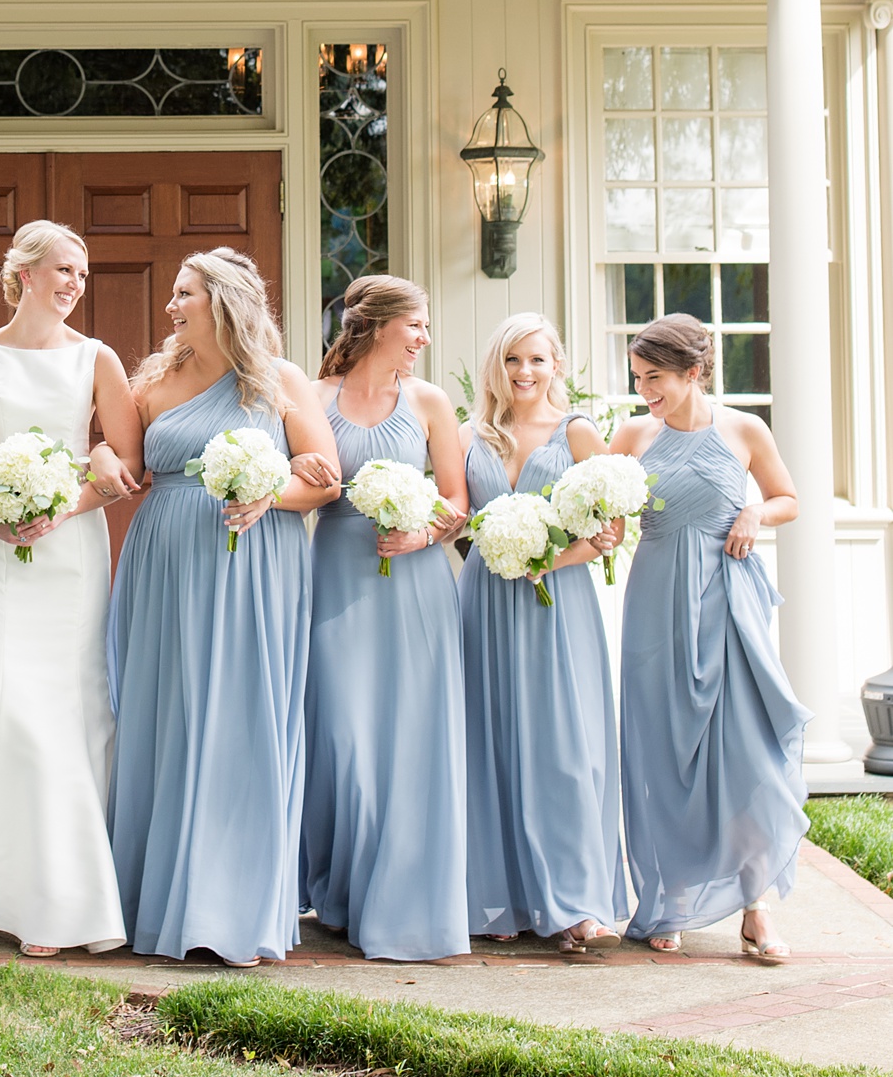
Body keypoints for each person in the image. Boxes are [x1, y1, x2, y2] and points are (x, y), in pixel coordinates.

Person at [107, 249, 340, 966]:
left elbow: (326, 480)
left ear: (225, 301)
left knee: (242, 720)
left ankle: (234, 908)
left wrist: (273, 494)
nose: (172, 304)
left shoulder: (278, 382)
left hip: (256, 562)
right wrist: (96, 463)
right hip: (167, 558)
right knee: (168, 717)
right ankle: (160, 902)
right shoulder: (151, 381)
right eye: (174, 292)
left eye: (186, 293)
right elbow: (125, 467)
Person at [0, 221, 143, 957]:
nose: (74, 283)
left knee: (66, 702)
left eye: (82, 273)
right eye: (63, 268)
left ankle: (58, 901)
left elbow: (126, 460)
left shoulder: (97, 357)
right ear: (23, 272)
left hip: (71, 553)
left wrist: (62, 508)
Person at [612, 313, 807, 960]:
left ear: (693, 372)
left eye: (656, 377)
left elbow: (788, 498)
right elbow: (598, 511)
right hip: (656, 604)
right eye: (639, 378)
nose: (646, 391)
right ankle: (667, 895)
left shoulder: (744, 428)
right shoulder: (634, 434)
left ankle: (757, 907)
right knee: (662, 752)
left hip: (728, 604)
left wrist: (753, 508)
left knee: (743, 756)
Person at [300, 273, 471, 962]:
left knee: (408, 738)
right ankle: (340, 889)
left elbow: (456, 499)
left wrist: (423, 532)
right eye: (417, 326)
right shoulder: (315, 398)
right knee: (344, 736)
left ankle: (400, 895)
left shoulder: (428, 402)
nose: (425, 339)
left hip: (416, 582)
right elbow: (302, 483)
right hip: (338, 571)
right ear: (375, 324)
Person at [460, 313, 625, 953]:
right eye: (511, 361)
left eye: (535, 360)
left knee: (564, 746)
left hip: (556, 602)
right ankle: (500, 899)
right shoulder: (468, 434)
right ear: (495, 368)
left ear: (557, 364)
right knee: (489, 741)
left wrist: (546, 559)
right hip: (481, 600)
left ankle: (578, 904)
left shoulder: (577, 433)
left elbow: (609, 532)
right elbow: (455, 511)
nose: (523, 373)